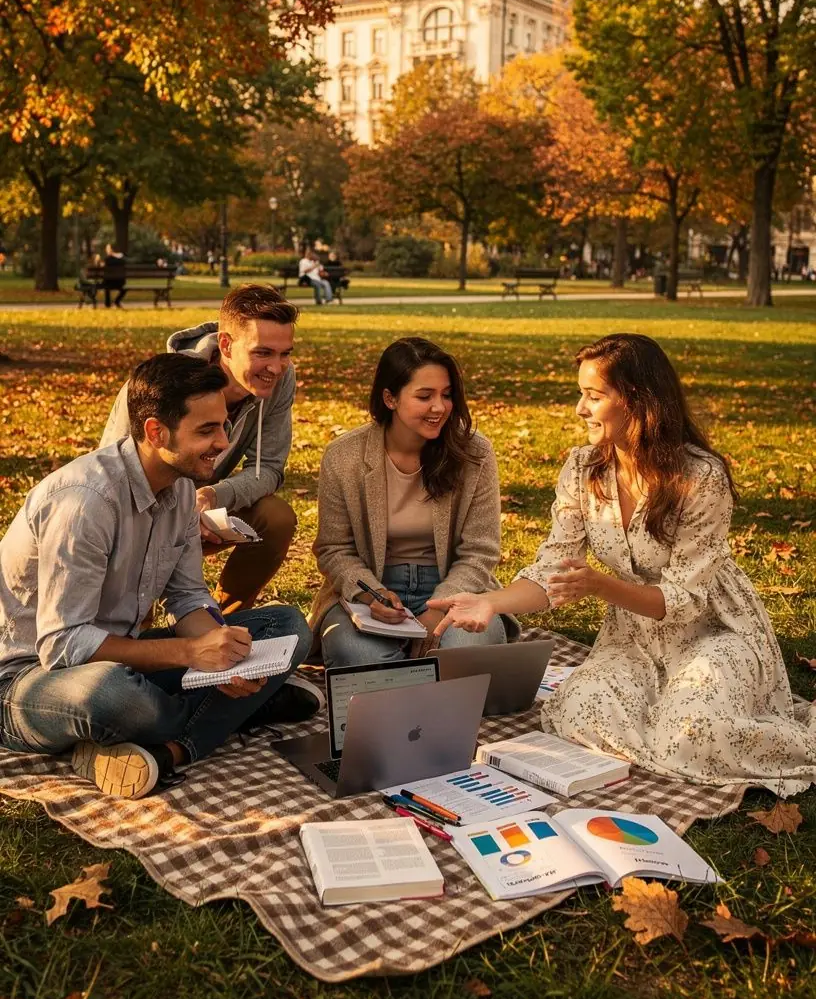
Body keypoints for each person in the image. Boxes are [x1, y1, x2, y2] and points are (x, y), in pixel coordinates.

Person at [429, 332, 816, 794]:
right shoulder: (582, 468)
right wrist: (491, 602)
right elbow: (555, 565)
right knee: (576, 710)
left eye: (594, 396)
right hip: (632, 638)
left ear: (637, 401)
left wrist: (599, 585)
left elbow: (684, 600)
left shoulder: (701, 477)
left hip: (713, 630)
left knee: (696, 735)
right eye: (581, 394)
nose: (580, 408)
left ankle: (684, 732)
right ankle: (666, 729)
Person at [0, 355, 312, 799]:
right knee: (113, 696)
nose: (223, 444)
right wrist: (190, 653)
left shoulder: (181, 488)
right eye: (206, 430)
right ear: (155, 432)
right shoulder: (84, 502)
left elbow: (187, 596)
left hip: (122, 655)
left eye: (223, 426)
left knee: (287, 628)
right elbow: (64, 645)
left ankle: (169, 745)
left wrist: (221, 655)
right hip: (31, 677)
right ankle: (234, 714)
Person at [312, 336, 515, 667]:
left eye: (446, 395)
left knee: (467, 651)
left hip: (453, 583)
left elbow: (480, 551)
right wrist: (370, 594)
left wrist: (439, 611)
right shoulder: (344, 456)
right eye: (425, 396)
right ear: (390, 398)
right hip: (375, 590)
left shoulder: (474, 453)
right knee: (359, 656)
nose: (440, 407)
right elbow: (334, 549)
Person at [101, 284, 299, 615]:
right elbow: (115, 477)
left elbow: (269, 469)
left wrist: (212, 497)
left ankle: (224, 617)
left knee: (276, 517)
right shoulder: (165, 385)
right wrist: (180, 513)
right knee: (128, 639)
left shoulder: (280, 378)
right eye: (263, 353)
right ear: (225, 344)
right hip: (143, 512)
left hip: (208, 506)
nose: (276, 368)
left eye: (285, 353)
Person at [102, 243, 127, 308]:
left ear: (111, 250)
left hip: (109, 283)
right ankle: (117, 301)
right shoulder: (122, 259)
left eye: (107, 249)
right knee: (124, 289)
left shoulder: (108, 259)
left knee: (106, 285)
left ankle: (107, 304)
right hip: (120, 282)